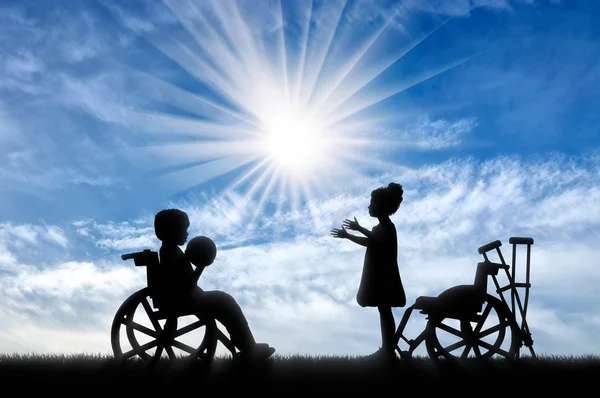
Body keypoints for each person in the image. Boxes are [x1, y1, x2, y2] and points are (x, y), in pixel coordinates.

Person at [153, 208, 275, 361]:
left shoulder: (171, 251)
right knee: (226, 303)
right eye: (183, 230)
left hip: (189, 296)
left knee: (226, 302)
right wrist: (201, 266)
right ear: (171, 231)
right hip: (185, 299)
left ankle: (246, 345)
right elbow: (185, 286)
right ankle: (247, 347)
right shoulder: (170, 254)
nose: (186, 234)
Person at [330, 183, 406, 361]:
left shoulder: (388, 227)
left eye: (372, 203)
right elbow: (370, 242)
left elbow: (377, 242)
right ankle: (387, 348)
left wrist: (358, 229)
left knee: (385, 311)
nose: (369, 206)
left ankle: (388, 350)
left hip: (386, 277)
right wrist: (349, 236)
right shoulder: (378, 229)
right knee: (383, 311)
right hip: (379, 276)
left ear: (382, 206)